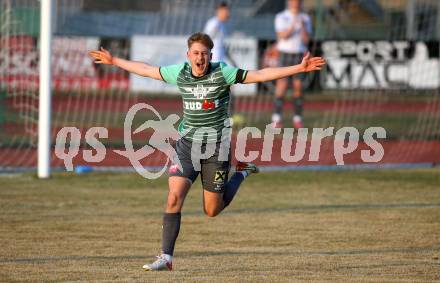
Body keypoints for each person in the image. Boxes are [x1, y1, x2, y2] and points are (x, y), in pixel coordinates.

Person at [89, 32, 325, 271]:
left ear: (210, 55)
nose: (199, 57)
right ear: (188, 55)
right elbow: (147, 69)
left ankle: (242, 172)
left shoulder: (222, 73)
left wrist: (298, 68)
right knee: (173, 198)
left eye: (204, 53)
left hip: (217, 148)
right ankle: (166, 258)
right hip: (187, 145)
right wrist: (114, 61)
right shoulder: (179, 72)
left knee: (212, 210)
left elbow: (260, 74)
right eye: (195, 53)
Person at [272, 0, 312, 129]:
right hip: (285, 53)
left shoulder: (305, 18)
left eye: (298, 1)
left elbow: (306, 39)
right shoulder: (281, 16)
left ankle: (297, 118)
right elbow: (282, 35)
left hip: (299, 54)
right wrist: (293, 24)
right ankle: (277, 118)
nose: (295, 3)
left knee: (298, 87)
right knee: (281, 87)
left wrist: (302, 27)